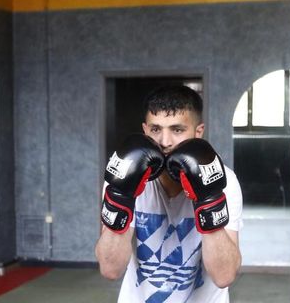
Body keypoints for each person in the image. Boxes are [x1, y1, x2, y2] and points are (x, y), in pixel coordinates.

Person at [95, 85, 243, 302]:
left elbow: (224, 275)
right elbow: (110, 269)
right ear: (145, 131)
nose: (165, 142)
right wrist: (121, 196)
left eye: (177, 130)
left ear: (198, 132)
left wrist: (208, 198)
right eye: (156, 129)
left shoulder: (223, 181)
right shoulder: (125, 174)